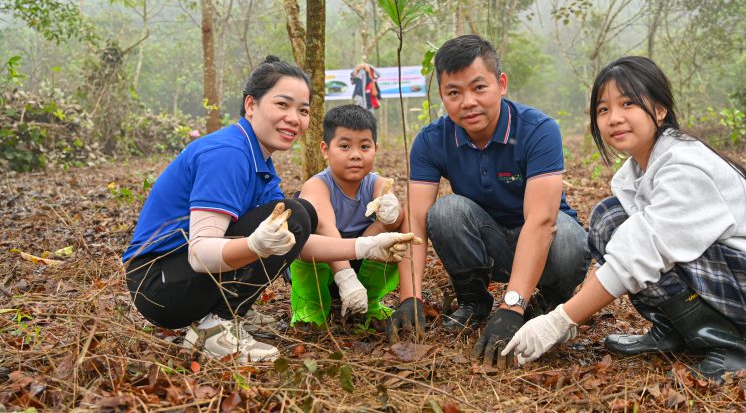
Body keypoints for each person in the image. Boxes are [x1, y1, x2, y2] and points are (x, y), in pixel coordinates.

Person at [502, 56, 746, 381]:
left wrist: (561, 320)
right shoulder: (637, 171)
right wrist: (570, 311)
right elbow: (624, 251)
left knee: (639, 245)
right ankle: (673, 331)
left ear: (660, 109)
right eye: (603, 109)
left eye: (628, 103)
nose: (614, 118)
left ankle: (728, 350)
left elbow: (638, 254)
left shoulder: (683, 165)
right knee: (610, 219)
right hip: (735, 274)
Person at [123, 56, 415, 362]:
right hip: (160, 285)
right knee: (296, 213)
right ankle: (215, 328)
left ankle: (226, 314)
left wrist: (367, 246)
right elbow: (199, 253)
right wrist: (253, 245)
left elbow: (298, 242)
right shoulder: (227, 153)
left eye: (303, 110)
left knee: (295, 216)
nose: (294, 118)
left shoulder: (258, 161)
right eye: (282, 104)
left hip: (179, 279)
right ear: (251, 105)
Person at [388, 34, 590, 368]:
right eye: (454, 92)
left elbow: (542, 221)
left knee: (570, 238)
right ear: (442, 96)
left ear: (501, 84)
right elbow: (416, 221)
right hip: (489, 240)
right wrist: (411, 296)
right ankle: (474, 301)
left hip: (544, 243)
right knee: (446, 211)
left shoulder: (538, 130)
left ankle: (547, 303)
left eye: (479, 88)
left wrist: (511, 308)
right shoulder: (432, 140)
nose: (468, 102)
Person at [290, 104, 405, 328]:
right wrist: (346, 279)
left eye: (364, 146)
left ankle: (370, 302)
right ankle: (310, 309)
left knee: (394, 236)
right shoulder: (317, 185)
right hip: (324, 266)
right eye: (344, 146)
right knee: (305, 239)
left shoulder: (377, 184)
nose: (355, 155)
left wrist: (392, 213)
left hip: (362, 265)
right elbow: (326, 229)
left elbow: (397, 221)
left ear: (375, 149)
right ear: (325, 150)